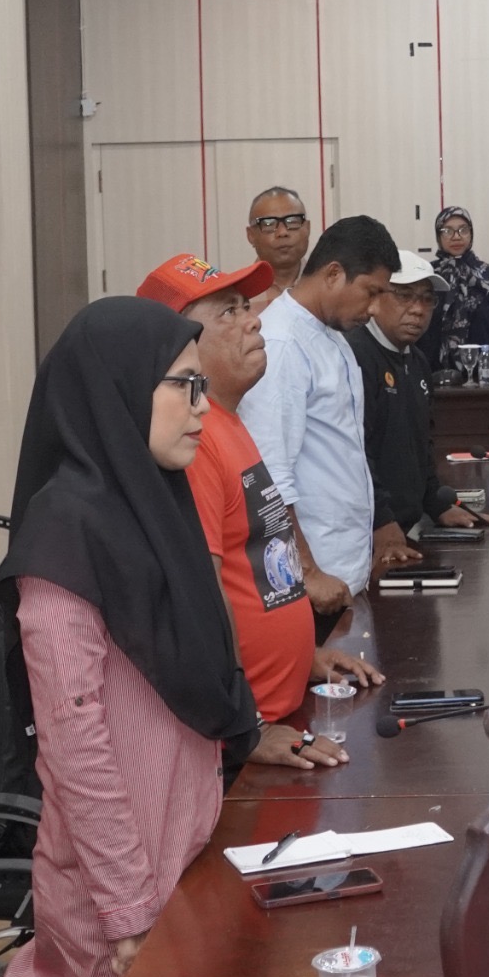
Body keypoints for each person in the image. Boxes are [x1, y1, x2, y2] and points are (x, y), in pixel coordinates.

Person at [0, 297, 259, 977]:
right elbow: (75, 746)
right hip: (118, 886)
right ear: (119, 390)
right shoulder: (63, 537)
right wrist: (130, 909)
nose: (202, 409)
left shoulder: (156, 503)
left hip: (185, 849)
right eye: (184, 386)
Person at [136, 253, 377, 772]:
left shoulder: (228, 420)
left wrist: (302, 658)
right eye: (229, 311)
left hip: (280, 712)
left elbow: (257, 563)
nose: (254, 321)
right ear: (176, 344)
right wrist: (249, 729)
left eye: (247, 307)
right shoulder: (193, 444)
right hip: (242, 743)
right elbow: (202, 599)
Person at [237, 215, 398, 629]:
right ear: (333, 273)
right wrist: (307, 573)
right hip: (310, 585)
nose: (374, 309)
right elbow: (268, 477)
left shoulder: (332, 336)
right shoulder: (282, 343)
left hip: (343, 572)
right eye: (371, 292)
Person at [357, 248, 489, 570]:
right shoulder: (356, 356)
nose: (417, 310)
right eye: (404, 296)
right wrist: (380, 521)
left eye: (427, 299)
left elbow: (420, 444)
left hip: (402, 531)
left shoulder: (416, 360)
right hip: (364, 535)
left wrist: (436, 504)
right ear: (375, 297)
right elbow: (355, 454)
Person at [416, 205, 489, 381]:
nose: (456, 236)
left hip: (483, 375)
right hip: (433, 375)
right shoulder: (428, 275)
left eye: (463, 230)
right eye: (447, 231)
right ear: (438, 236)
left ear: (471, 234)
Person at [244, 187, 314, 302]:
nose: (282, 232)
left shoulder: (327, 287)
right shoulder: (235, 295)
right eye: (269, 224)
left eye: (292, 221)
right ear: (251, 235)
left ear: (307, 228)